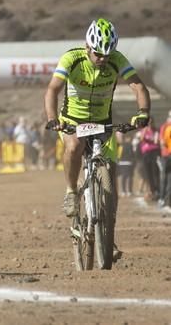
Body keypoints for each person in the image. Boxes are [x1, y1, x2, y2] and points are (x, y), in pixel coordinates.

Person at [44, 18, 151, 258]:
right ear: (87, 46)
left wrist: (143, 113)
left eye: (107, 55)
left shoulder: (117, 60)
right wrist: (53, 119)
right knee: (73, 146)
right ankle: (71, 191)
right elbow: (52, 89)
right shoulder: (72, 59)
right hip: (72, 121)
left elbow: (138, 87)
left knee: (110, 186)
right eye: (98, 54)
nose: (102, 59)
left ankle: (108, 238)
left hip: (103, 124)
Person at [159, 110, 171, 208]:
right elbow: (162, 142)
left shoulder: (165, 126)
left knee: (167, 178)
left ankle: (165, 199)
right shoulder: (166, 126)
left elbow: (162, 142)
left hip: (166, 155)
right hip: (167, 155)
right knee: (165, 178)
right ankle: (163, 198)